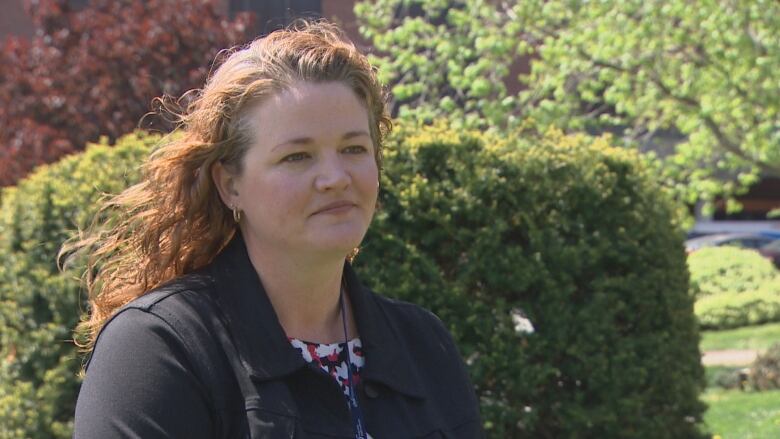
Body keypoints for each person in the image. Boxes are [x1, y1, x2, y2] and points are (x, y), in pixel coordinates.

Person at [69, 20, 483, 438]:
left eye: (354, 149)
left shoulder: (423, 344)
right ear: (229, 184)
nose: (335, 177)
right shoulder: (157, 348)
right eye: (297, 157)